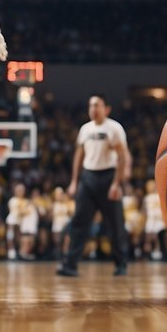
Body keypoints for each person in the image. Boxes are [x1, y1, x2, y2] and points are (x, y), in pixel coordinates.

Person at [58, 95, 131, 277]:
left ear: (106, 109)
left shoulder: (114, 128)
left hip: (108, 176)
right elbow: (79, 155)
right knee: (79, 222)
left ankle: (121, 264)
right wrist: (74, 181)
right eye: (91, 105)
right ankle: (70, 265)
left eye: (97, 105)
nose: (93, 109)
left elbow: (122, 157)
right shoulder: (85, 129)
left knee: (115, 224)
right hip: (88, 177)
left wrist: (116, 183)